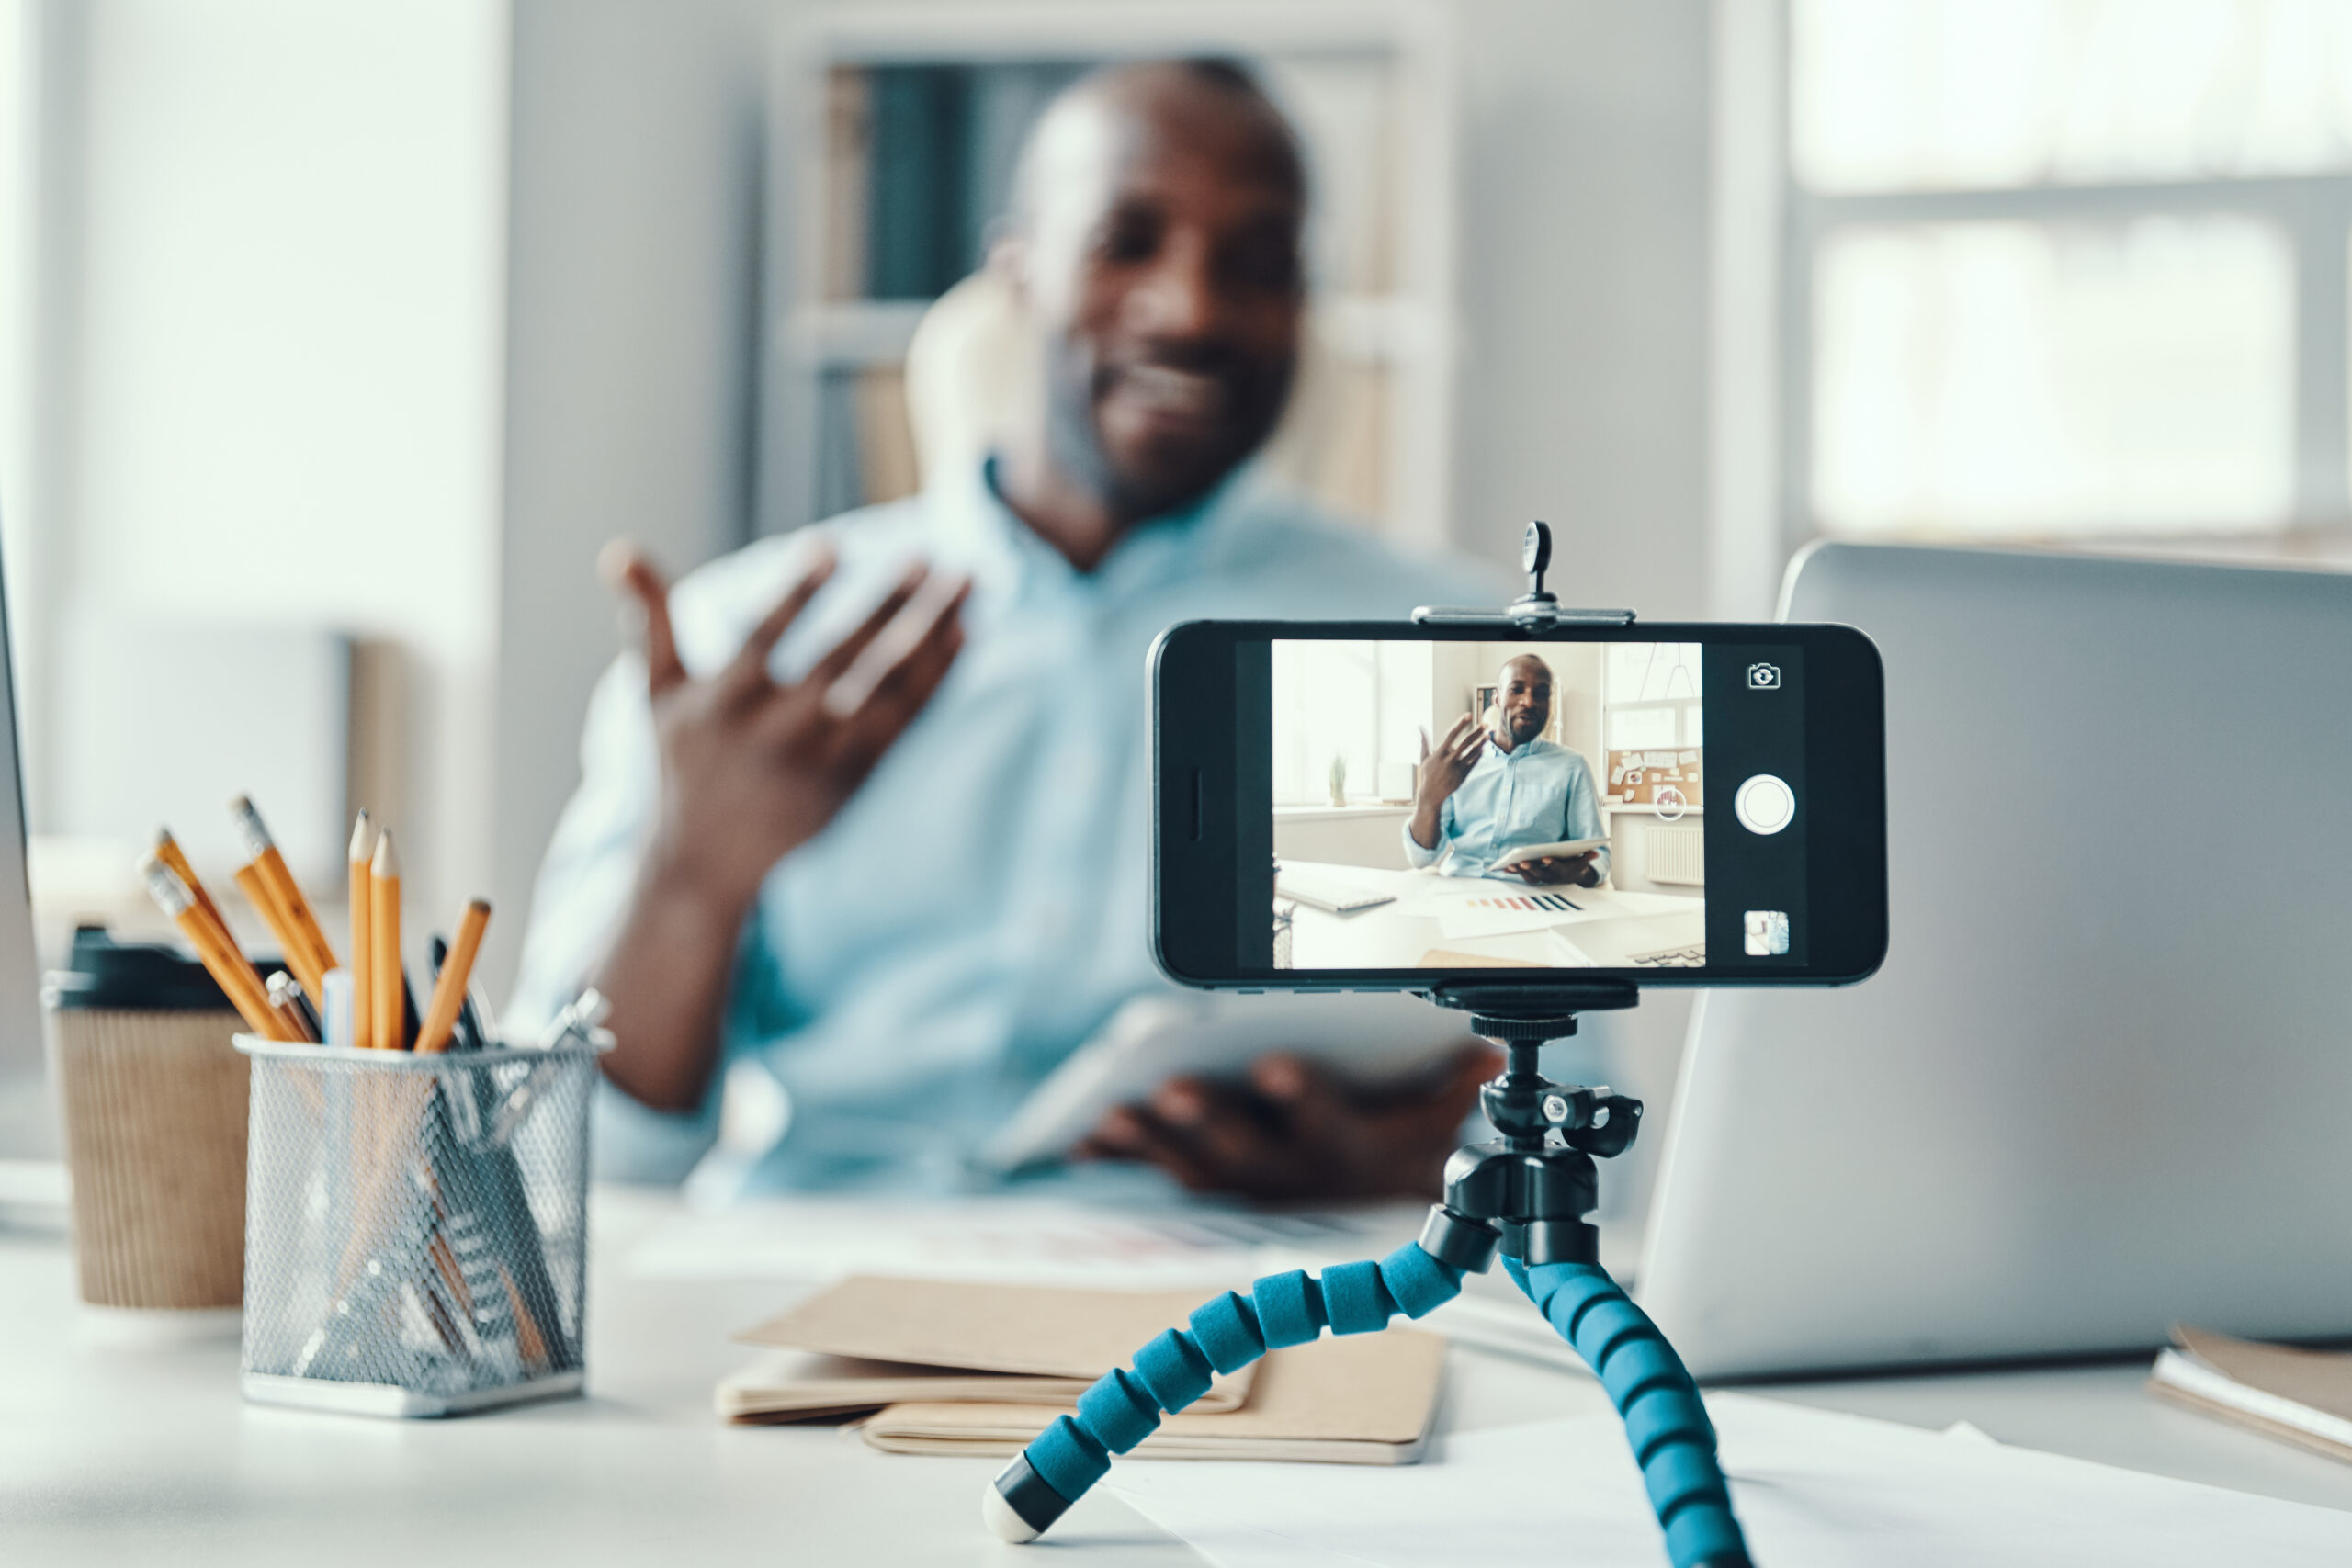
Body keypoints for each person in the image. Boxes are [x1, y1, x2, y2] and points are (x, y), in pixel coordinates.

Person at [509, 59, 1504, 1201]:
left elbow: (1586, 1152)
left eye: (1257, 263)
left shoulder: (1455, 655)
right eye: (1126, 240)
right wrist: (693, 877)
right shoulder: (742, 646)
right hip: (804, 1284)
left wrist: (1407, 1163)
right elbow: (572, 1166)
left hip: (1256, 1303)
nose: (1189, 308)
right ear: (1017, 273)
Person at [1404, 653, 1610, 886]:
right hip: (1461, 890)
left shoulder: (1572, 767)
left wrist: (1576, 874)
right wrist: (1427, 799)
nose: (1529, 702)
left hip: (1533, 896)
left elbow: (1599, 856)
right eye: (1516, 689)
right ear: (1497, 698)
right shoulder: (1458, 767)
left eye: (1541, 693)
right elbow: (1422, 858)